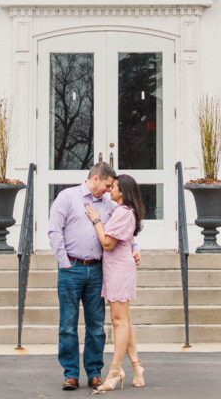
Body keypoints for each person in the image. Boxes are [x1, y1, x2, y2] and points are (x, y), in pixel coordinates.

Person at [48, 162, 141, 391]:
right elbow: (54, 230)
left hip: (98, 269)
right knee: (68, 324)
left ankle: (94, 373)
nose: (109, 190)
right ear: (96, 178)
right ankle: (70, 374)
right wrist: (64, 263)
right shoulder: (67, 197)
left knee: (96, 326)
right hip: (72, 268)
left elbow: (121, 232)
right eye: (107, 185)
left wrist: (134, 247)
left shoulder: (109, 206)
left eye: (112, 187)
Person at [85, 174, 146, 392]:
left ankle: (115, 370)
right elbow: (128, 241)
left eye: (115, 187)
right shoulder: (124, 211)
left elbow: (108, 243)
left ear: (123, 191)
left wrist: (96, 220)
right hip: (115, 269)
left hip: (119, 270)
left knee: (119, 322)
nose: (111, 190)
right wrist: (135, 249)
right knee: (124, 321)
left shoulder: (123, 212)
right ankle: (137, 367)